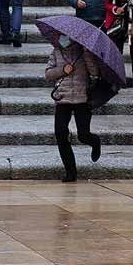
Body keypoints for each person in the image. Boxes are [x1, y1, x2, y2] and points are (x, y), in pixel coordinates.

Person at [45, 32, 102, 183]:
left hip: (82, 99)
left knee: (83, 135)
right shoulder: (56, 52)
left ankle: (95, 142)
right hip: (62, 99)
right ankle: (70, 171)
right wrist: (62, 70)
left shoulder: (83, 52)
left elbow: (95, 73)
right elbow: (48, 74)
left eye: (66, 36)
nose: (63, 38)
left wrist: (87, 55)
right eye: (61, 35)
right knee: (60, 134)